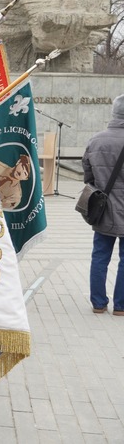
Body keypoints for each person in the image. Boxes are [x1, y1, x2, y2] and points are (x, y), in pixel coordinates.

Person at [82, 94, 124, 316]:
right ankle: (121, 306)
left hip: (104, 209)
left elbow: (87, 176)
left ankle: (98, 303)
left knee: (100, 255)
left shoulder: (96, 140)